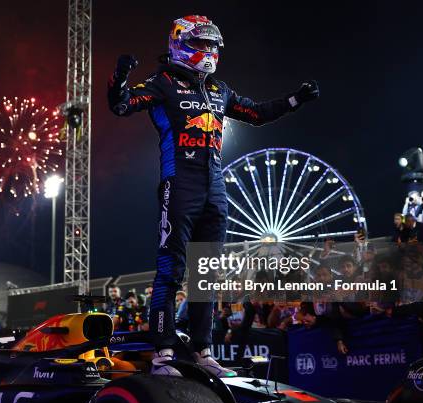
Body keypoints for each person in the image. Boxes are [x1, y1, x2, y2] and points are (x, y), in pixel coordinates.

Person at [107, 15, 319, 376]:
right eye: (200, 44)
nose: (208, 51)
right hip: (180, 186)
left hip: (215, 189)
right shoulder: (163, 83)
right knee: (170, 272)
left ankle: (203, 350)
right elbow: (122, 105)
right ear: (180, 43)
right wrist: (119, 77)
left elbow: (257, 113)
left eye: (212, 45)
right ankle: (163, 354)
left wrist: (294, 100)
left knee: (207, 274)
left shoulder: (220, 90)